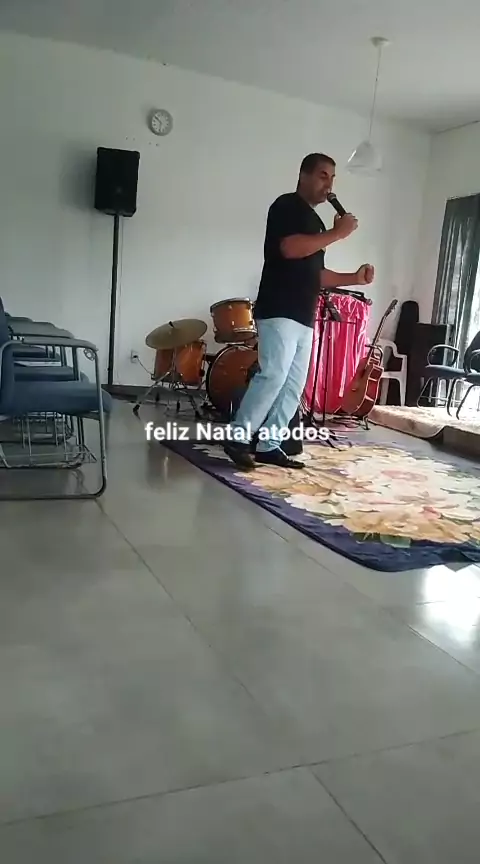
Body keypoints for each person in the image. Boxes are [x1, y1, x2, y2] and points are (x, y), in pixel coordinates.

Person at [224, 152, 374, 471]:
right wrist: (337, 234)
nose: (329, 184)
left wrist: (355, 278)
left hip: (304, 315)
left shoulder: (317, 224)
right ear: (303, 175)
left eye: (332, 178)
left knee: (293, 385)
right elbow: (289, 249)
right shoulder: (286, 206)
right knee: (273, 375)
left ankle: (270, 445)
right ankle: (238, 437)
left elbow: (317, 275)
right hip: (279, 308)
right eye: (322, 175)